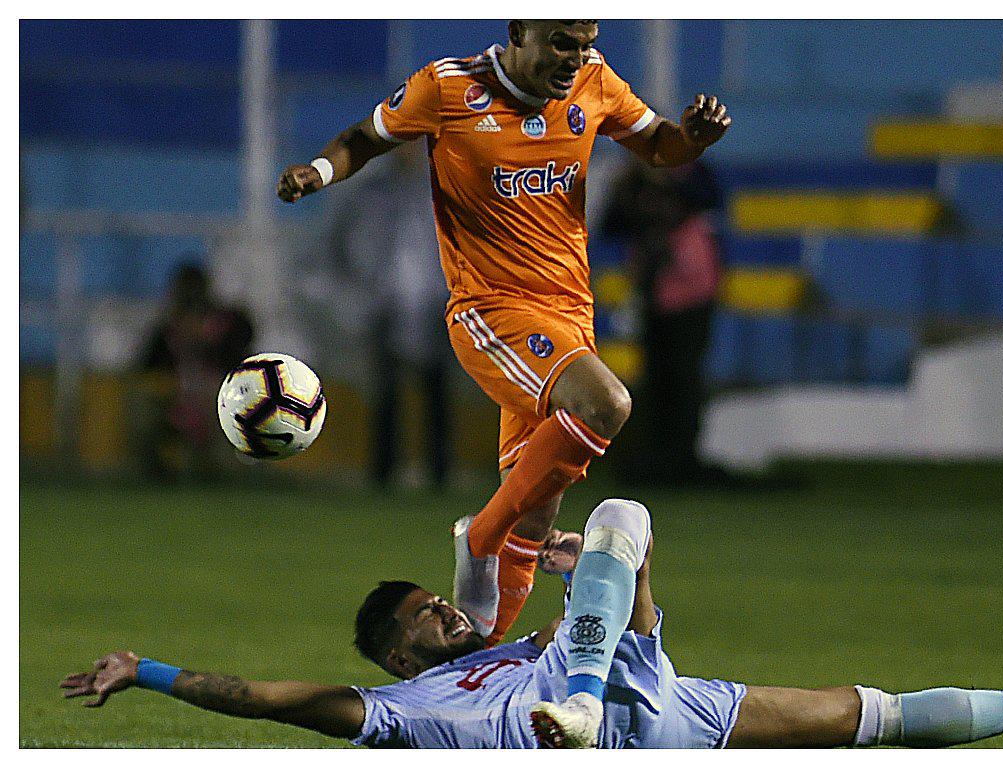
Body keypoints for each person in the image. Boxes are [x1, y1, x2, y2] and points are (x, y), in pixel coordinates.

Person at [276, 20, 732, 643]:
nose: (576, 58)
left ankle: (478, 667)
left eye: (586, 42)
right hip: (490, 311)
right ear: (520, 32)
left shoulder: (595, 83)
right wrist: (319, 172)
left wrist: (693, 141)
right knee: (606, 404)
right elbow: (367, 137)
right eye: (562, 43)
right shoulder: (448, 87)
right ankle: (480, 537)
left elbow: (659, 147)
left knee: (538, 518)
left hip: (570, 314)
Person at [60, 498, 1003, 749]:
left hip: (630, 697)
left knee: (861, 715)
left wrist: (613, 567)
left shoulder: (523, 636)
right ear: (395, 654)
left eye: (436, 601)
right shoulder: (396, 709)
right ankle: (575, 701)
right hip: (558, 736)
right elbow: (267, 699)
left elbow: (643, 619)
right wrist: (147, 669)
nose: (441, 612)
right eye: (424, 617)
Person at [327, 145, 454, 488]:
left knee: (437, 389)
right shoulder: (371, 192)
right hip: (383, 304)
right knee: (385, 392)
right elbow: (338, 243)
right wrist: (360, 287)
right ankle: (383, 470)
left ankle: (438, 471)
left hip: (436, 302)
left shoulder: (445, 186)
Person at [601, 161, 725, 486]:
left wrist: (664, 187)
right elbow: (611, 223)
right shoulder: (633, 180)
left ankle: (682, 459)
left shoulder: (691, 175)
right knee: (656, 379)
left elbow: (711, 198)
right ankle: (658, 460)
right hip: (654, 294)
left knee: (684, 380)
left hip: (690, 295)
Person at [135, 261, 254, 480]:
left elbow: (243, 364)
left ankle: (224, 472)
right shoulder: (167, 333)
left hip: (217, 402)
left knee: (222, 407)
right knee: (144, 403)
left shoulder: (229, 328)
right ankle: (157, 471)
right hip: (176, 399)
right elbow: (146, 369)